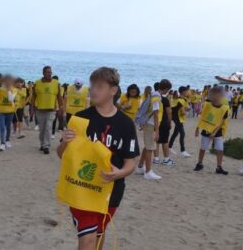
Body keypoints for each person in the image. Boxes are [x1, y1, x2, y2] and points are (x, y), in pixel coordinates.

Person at [57, 67, 139, 250]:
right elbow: (62, 155)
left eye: (99, 86)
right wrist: (64, 143)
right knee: (88, 239)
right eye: (92, 85)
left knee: (99, 234)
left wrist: (119, 173)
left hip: (111, 192)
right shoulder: (80, 118)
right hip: (82, 188)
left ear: (113, 90)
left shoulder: (125, 124)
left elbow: (130, 163)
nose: (93, 90)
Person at [193, 86, 230, 174]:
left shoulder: (225, 108)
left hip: (218, 131)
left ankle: (219, 167)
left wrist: (214, 132)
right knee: (203, 148)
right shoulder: (207, 104)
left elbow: (222, 121)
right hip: (206, 129)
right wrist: (197, 128)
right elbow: (202, 117)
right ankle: (199, 163)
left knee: (220, 149)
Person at [30, 66, 63, 154]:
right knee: (42, 129)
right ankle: (42, 144)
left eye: (50, 72)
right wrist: (32, 108)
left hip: (51, 110)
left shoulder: (56, 83)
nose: (49, 73)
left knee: (48, 128)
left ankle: (46, 146)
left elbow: (59, 97)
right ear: (43, 73)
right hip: (40, 109)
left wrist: (61, 108)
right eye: (47, 72)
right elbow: (33, 96)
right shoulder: (37, 83)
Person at [135, 83, 162, 180]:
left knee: (148, 146)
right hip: (150, 125)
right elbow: (155, 113)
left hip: (148, 123)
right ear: (166, 89)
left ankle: (140, 167)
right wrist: (157, 130)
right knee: (150, 148)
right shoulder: (156, 97)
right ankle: (148, 172)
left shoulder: (152, 95)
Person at [153, 80, 174, 167]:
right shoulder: (165, 100)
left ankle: (156, 159)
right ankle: (166, 159)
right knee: (165, 141)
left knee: (156, 141)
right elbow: (169, 112)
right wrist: (170, 122)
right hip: (164, 122)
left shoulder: (153, 97)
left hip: (155, 122)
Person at [0, 75, 17, 151]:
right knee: (2, 127)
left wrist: (9, 90)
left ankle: (7, 140)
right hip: (1, 111)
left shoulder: (14, 89)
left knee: (8, 126)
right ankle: (2, 143)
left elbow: (11, 99)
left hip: (10, 111)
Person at [169, 86, 191, 157]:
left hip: (178, 118)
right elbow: (182, 112)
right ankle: (183, 150)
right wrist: (186, 111)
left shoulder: (182, 99)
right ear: (183, 92)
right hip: (177, 118)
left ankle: (169, 147)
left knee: (175, 133)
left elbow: (183, 109)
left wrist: (186, 109)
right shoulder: (181, 100)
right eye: (187, 91)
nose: (188, 92)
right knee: (182, 133)